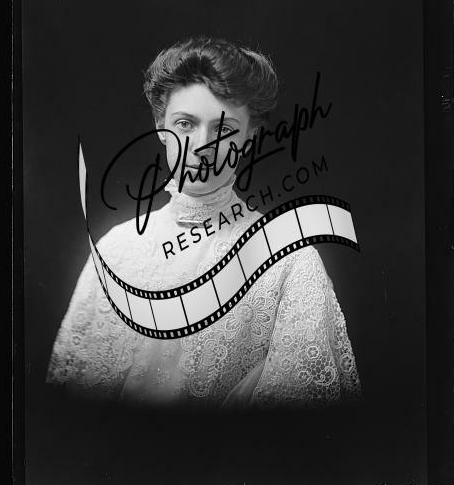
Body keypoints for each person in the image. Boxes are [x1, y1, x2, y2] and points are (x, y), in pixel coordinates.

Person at [46, 37, 362, 410]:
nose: (201, 146)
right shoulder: (116, 248)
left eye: (224, 129)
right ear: (160, 126)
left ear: (249, 138)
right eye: (185, 124)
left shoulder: (288, 259)